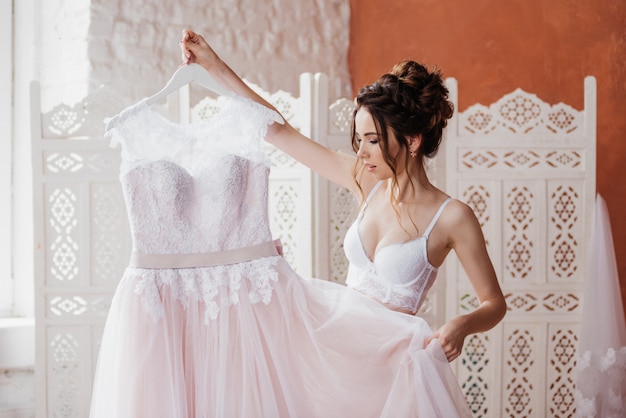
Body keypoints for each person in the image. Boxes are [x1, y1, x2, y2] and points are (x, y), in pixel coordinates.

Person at [180, 29, 507, 363]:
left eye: (373, 140)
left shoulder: (452, 216)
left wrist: (462, 325)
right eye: (359, 139)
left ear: (411, 140)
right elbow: (278, 130)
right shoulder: (366, 182)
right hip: (336, 353)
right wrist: (214, 65)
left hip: (393, 365)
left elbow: (494, 303)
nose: (361, 152)